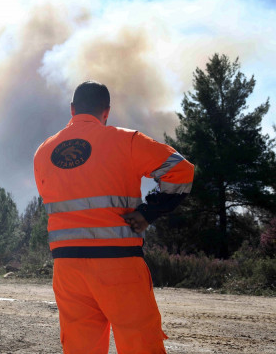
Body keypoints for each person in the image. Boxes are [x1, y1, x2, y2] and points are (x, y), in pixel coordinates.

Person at [33, 81, 194, 353]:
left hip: (67, 269)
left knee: (80, 347)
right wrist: (148, 212)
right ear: (106, 112)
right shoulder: (126, 140)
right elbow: (181, 171)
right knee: (139, 344)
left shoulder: (43, 152)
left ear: (72, 109)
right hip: (118, 265)